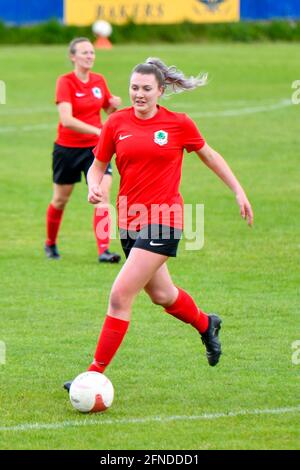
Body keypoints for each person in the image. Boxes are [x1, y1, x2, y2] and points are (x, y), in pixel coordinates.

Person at [64, 58, 253, 390]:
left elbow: (210, 155)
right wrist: (94, 185)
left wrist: (238, 190)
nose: (139, 94)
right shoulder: (116, 123)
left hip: (165, 221)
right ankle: (207, 324)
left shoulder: (179, 124)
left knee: (120, 295)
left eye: (146, 89)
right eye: (134, 88)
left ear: (160, 91)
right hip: (129, 221)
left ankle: (93, 374)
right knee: (163, 295)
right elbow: (98, 165)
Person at [45, 37, 121, 263]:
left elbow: (108, 110)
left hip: (95, 150)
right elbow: (66, 120)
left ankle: (104, 251)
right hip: (67, 149)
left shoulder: (99, 80)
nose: (90, 56)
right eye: (84, 52)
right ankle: (50, 243)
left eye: (92, 52)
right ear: (73, 57)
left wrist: (113, 106)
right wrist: (97, 131)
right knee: (60, 199)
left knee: (103, 195)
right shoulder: (65, 82)